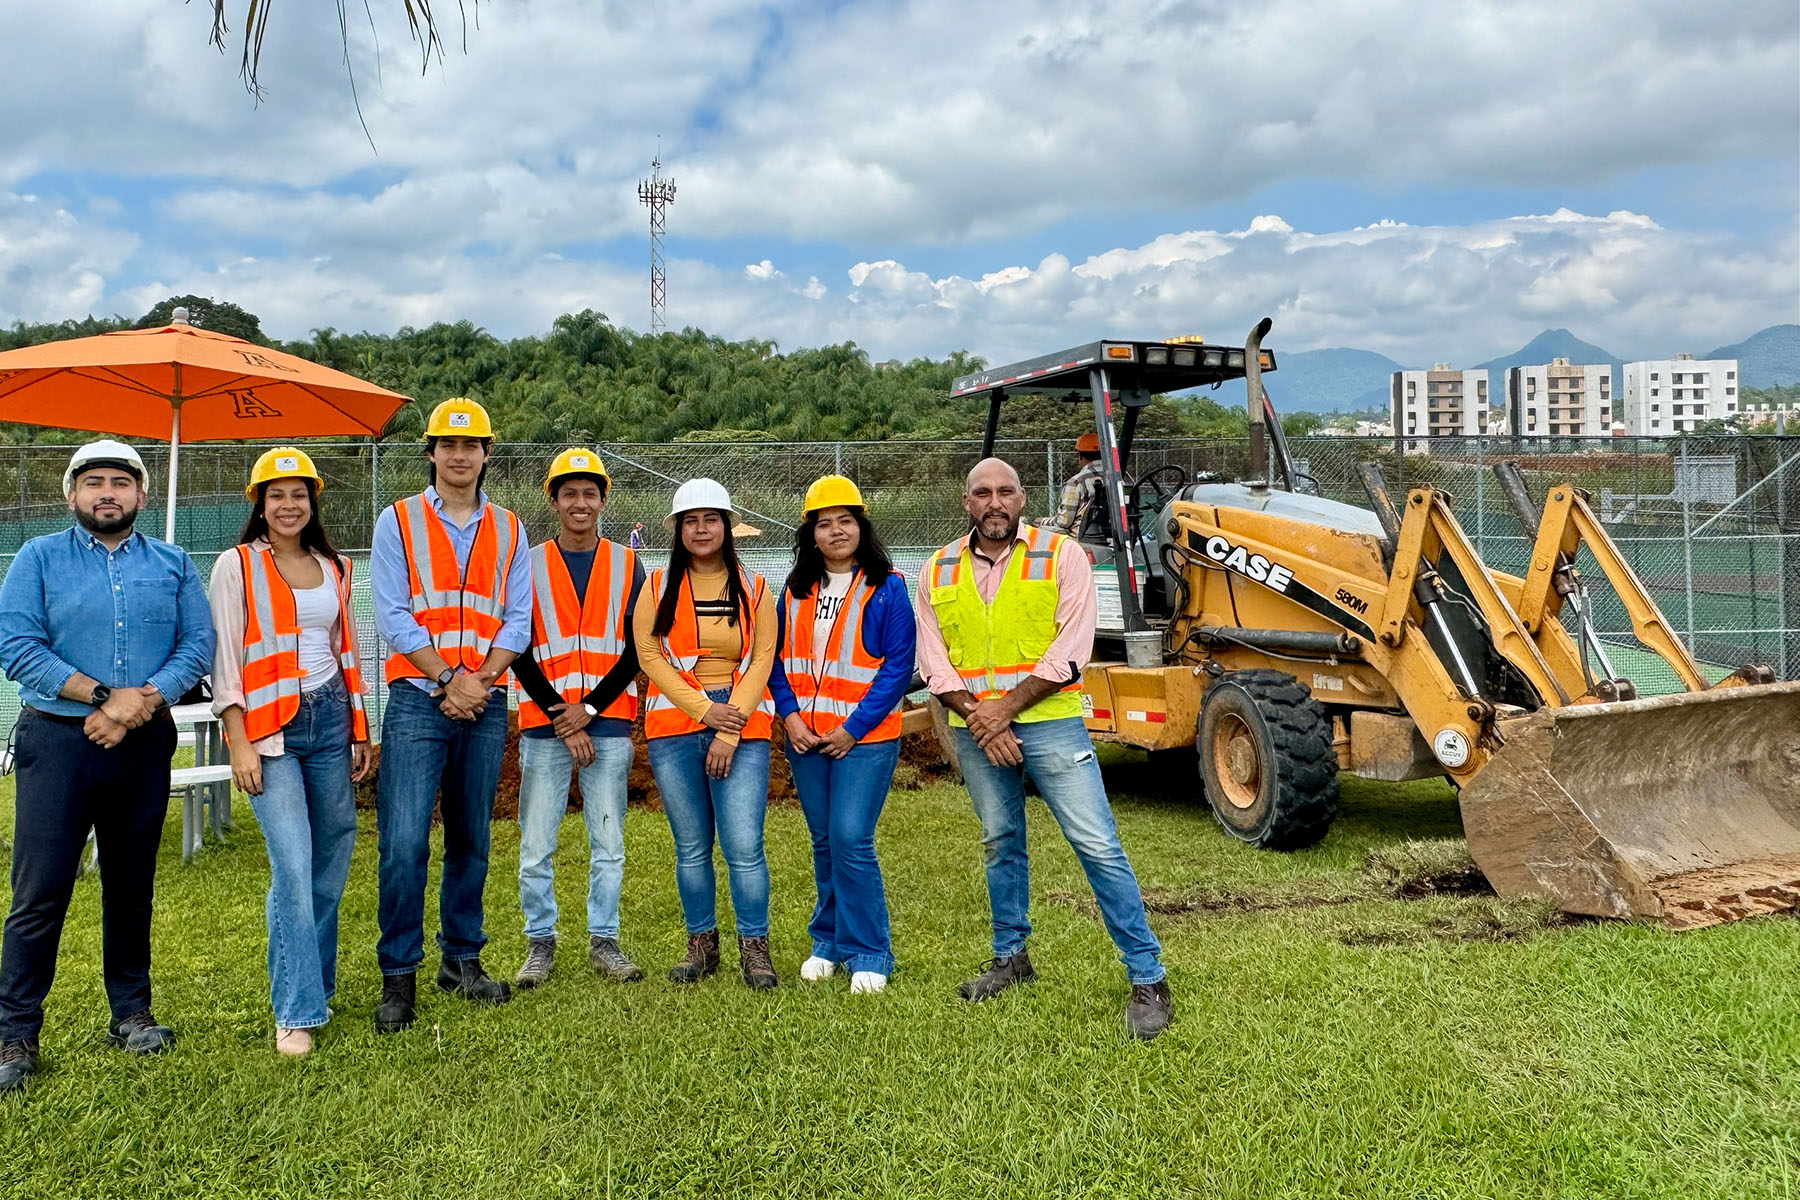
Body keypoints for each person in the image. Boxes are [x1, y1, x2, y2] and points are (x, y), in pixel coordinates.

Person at [916, 457, 1173, 1039]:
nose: (994, 502)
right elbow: (932, 659)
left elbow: (1072, 648)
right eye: (982, 493)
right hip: (976, 729)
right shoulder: (937, 569)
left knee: (1097, 846)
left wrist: (1000, 713)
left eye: (1005, 491)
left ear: (1022, 498)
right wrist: (982, 719)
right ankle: (1010, 957)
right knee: (1000, 842)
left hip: (1049, 723)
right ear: (967, 502)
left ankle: (1147, 976)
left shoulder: (1062, 557)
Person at [0, 441, 214, 1091]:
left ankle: (130, 1013)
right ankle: (14, 1034)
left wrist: (138, 703)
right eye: (92, 481)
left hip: (143, 740)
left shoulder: (173, 564)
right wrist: (101, 696)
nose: (107, 492)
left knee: (130, 884)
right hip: (57, 743)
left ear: (141, 495)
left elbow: (196, 644)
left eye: (121, 481)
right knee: (39, 893)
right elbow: (15, 645)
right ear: (72, 495)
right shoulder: (38, 558)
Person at [368, 397, 531, 1032]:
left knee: (471, 838)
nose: (459, 455)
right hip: (418, 697)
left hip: (485, 701)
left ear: (486, 454)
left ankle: (461, 959)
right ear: (431, 453)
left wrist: (481, 680)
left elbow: (517, 616)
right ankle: (399, 976)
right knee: (405, 840)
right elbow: (392, 612)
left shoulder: (511, 528)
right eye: (447, 445)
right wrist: (447, 678)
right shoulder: (398, 521)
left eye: (471, 446)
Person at [208, 448, 371, 1057]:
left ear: (312, 502)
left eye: (299, 495)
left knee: (332, 857)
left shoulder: (336, 567)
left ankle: (316, 983)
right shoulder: (237, 565)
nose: (288, 505)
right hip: (269, 730)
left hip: (329, 718)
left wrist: (359, 728)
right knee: (294, 867)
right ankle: (296, 1010)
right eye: (276, 495)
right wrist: (239, 739)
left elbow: (346, 650)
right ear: (259, 503)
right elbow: (224, 660)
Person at [769, 476, 914, 995]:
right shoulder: (794, 590)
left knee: (852, 839)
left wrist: (852, 729)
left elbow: (898, 667)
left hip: (864, 740)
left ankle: (869, 950)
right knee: (825, 841)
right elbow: (775, 661)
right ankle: (827, 941)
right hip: (806, 739)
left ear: (862, 527)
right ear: (811, 534)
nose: (835, 531)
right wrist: (790, 717)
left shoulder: (887, 587)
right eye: (824, 523)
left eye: (845, 521)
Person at [509, 449, 646, 988]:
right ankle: (539, 942)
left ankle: (603, 940)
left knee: (607, 842)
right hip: (545, 725)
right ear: (554, 500)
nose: (580, 503)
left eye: (590, 493)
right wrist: (560, 715)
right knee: (536, 843)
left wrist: (587, 710)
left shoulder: (628, 564)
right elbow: (515, 645)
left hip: (607, 722)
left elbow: (639, 648)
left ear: (603, 500)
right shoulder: (528, 563)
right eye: (570, 493)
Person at [634, 479, 779, 989]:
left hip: (739, 725)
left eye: (710, 519)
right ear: (678, 528)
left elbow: (762, 657)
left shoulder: (754, 588)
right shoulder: (655, 587)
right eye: (690, 520)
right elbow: (649, 655)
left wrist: (729, 727)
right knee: (691, 846)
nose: (701, 529)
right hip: (675, 726)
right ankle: (701, 945)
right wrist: (702, 711)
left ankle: (754, 947)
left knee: (743, 846)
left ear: (726, 525)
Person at [1048, 431, 1105, 535]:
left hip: (1081, 537)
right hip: (1112, 535)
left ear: (1079, 455)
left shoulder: (1076, 482)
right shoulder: (1118, 480)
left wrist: (1041, 521)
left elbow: (1064, 522)